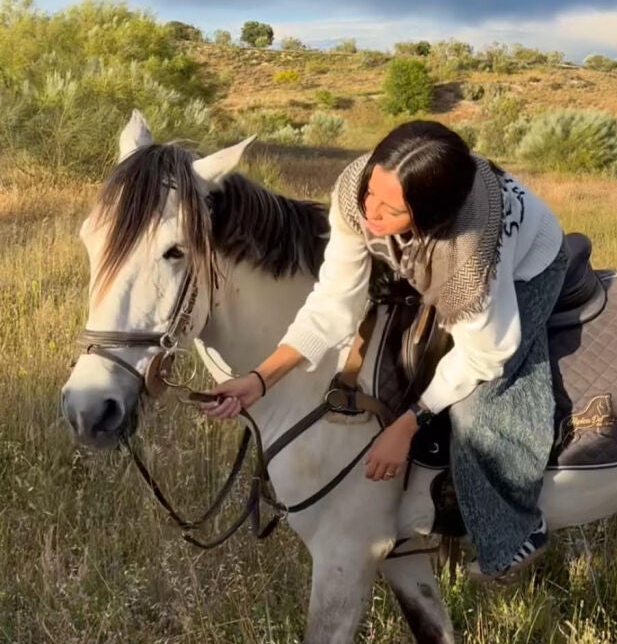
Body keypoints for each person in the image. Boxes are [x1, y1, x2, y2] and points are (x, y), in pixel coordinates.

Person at [198, 121, 568, 579]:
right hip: (429, 250)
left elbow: (486, 353)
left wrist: (409, 423)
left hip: (530, 263)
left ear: (428, 218)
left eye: (389, 208)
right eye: (372, 190)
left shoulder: (466, 262)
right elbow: (334, 303)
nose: (370, 210)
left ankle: (513, 533)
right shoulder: (357, 191)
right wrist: (260, 378)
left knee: (479, 409)